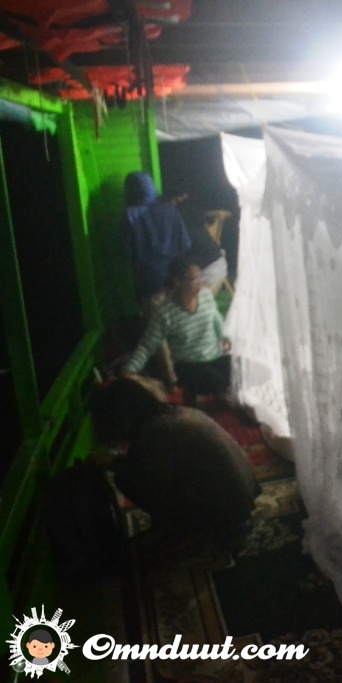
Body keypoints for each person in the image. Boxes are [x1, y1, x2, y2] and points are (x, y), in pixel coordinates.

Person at [90, 377, 260, 540]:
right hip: (241, 500)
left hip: (227, 513)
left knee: (125, 479)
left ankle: (189, 530)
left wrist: (114, 463)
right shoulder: (178, 413)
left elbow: (155, 484)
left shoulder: (156, 431)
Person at [122, 255, 232, 402]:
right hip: (188, 365)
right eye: (194, 280)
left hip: (214, 356)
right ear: (178, 282)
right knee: (217, 382)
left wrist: (224, 336)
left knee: (238, 370)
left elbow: (216, 319)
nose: (200, 284)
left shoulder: (206, 296)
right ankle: (193, 395)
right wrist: (129, 370)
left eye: (201, 278)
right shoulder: (164, 313)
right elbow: (147, 346)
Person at [123, 171, 192, 302]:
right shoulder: (170, 209)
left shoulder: (130, 215)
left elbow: (125, 252)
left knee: (153, 313)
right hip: (174, 274)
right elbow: (186, 244)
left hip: (147, 280)